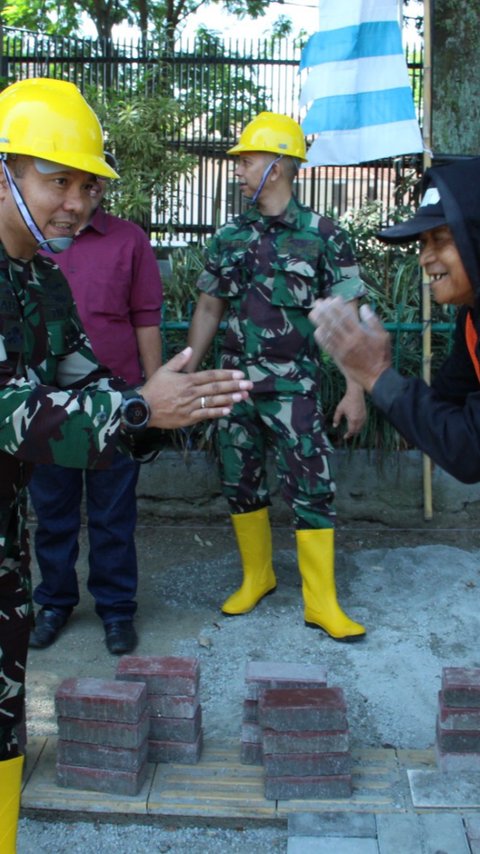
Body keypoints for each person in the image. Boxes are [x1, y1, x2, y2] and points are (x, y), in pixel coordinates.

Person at [0, 76, 252, 852]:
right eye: (56, 179)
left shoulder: (41, 279)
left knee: (6, 716)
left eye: (86, 184)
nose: (75, 202)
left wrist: (158, 409)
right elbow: (15, 414)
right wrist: (141, 408)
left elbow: (83, 382)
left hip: (5, 543)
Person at [187, 112, 367, 644]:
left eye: (247, 159)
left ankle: (321, 602)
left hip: (295, 389)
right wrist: (185, 378)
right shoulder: (229, 237)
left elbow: (348, 320)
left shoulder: (324, 236)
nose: (239, 169)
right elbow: (207, 308)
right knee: (239, 481)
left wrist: (355, 389)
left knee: (312, 489)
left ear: (280, 165)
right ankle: (257, 577)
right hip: (233, 385)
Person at [28, 177, 163, 655]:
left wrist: (152, 396)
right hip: (47, 401)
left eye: (91, 185)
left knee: (113, 513)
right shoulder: (33, 237)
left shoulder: (128, 240)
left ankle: (116, 608)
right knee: (52, 511)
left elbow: (146, 317)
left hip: (116, 397)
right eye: (66, 182)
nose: (78, 197)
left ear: (102, 187)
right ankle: (55, 602)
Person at [309, 157, 480, 485]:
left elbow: (469, 450)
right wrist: (373, 374)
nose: (425, 257)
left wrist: (375, 374)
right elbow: (445, 405)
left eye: (441, 238)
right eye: (423, 243)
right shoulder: (471, 318)